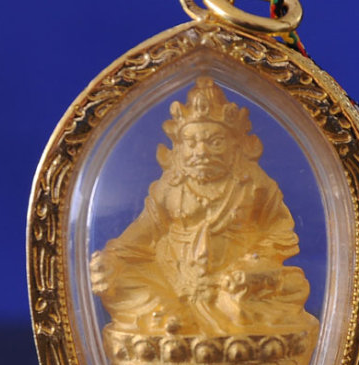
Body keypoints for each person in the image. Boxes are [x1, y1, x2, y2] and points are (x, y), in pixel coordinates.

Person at [90, 77, 318, 340]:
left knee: (293, 285)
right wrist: (111, 260)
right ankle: (171, 314)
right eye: (191, 143)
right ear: (179, 148)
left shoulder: (254, 184)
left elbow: (280, 231)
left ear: (235, 145)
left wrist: (254, 266)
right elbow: (141, 234)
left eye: (215, 142)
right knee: (121, 281)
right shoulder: (168, 187)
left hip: (233, 286)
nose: (201, 152)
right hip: (172, 281)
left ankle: (196, 322)